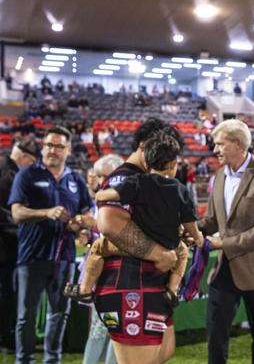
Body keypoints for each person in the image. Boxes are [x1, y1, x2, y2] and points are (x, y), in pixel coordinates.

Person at [65, 132, 202, 305]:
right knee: (182, 253)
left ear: (146, 161)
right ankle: (172, 291)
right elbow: (189, 222)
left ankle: (84, 290)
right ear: (174, 164)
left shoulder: (137, 181)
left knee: (98, 247)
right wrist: (197, 237)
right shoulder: (180, 189)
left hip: (141, 245)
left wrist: (100, 194)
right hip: (169, 245)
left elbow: (109, 195)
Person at [93, 119, 184, 364]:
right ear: (144, 146)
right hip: (131, 283)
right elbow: (109, 222)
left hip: (150, 284)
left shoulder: (150, 181)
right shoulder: (124, 178)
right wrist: (159, 253)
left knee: (163, 353)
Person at [9, 126, 94, 363]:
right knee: (26, 315)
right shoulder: (27, 175)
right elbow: (16, 213)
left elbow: (87, 216)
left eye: (58, 146)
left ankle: (52, 360)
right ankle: (24, 359)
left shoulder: (75, 179)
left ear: (67, 150)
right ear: (43, 147)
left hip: (63, 257)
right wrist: (47, 212)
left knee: (59, 314)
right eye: (48, 145)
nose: (52, 150)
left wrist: (79, 223)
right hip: (32, 256)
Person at [198, 119, 254, 364]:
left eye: (220, 144)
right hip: (223, 269)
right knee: (215, 336)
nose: (216, 150)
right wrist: (190, 229)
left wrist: (224, 244)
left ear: (237, 144)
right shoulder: (219, 176)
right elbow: (212, 220)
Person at [80, 155, 125, 364]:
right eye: (97, 176)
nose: (99, 181)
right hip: (102, 273)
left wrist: (94, 225)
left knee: (114, 329)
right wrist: (89, 235)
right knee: (99, 328)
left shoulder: (124, 199)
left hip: (119, 273)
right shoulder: (104, 198)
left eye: (103, 176)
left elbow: (122, 234)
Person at [0, 140, 38, 352]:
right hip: (7, 244)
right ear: (24, 158)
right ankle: (7, 338)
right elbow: (13, 214)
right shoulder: (13, 176)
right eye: (31, 162)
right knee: (9, 292)